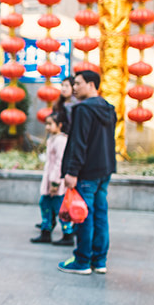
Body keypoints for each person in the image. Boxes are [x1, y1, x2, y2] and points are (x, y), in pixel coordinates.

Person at [57, 70, 117, 275]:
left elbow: (79, 143)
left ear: (91, 85)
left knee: (83, 215)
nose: (74, 88)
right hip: (104, 170)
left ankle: (82, 261)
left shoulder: (83, 109)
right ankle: (99, 261)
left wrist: (72, 172)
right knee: (100, 215)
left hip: (86, 172)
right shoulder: (108, 108)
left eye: (78, 83)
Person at [30, 111, 74, 246]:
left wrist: (55, 183)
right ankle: (46, 232)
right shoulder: (52, 139)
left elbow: (60, 163)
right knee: (45, 204)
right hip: (50, 181)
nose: (47, 127)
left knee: (61, 209)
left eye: (50, 124)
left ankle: (68, 234)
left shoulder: (61, 140)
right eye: (46, 124)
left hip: (56, 182)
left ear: (59, 125)